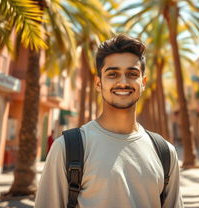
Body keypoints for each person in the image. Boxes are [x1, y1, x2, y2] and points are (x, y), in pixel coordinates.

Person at [35, 34, 184, 208]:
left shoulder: (165, 153)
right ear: (98, 83)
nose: (123, 82)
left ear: (143, 83)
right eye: (112, 74)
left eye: (132, 73)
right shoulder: (67, 148)